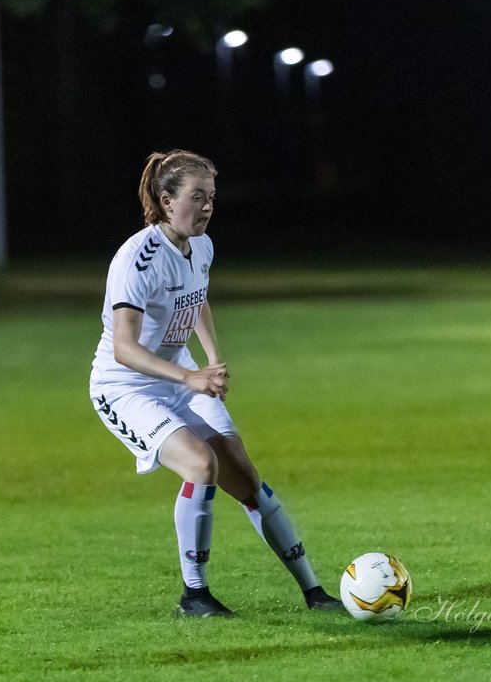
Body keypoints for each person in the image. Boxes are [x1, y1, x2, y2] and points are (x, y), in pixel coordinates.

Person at [89, 149, 344, 617]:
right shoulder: (137, 259)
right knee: (200, 464)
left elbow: (197, 298)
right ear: (166, 201)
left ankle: (314, 592)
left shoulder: (200, 245)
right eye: (196, 197)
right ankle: (195, 595)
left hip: (180, 372)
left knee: (243, 475)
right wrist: (190, 375)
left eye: (211, 197)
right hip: (125, 387)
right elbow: (125, 347)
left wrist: (213, 359)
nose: (207, 207)